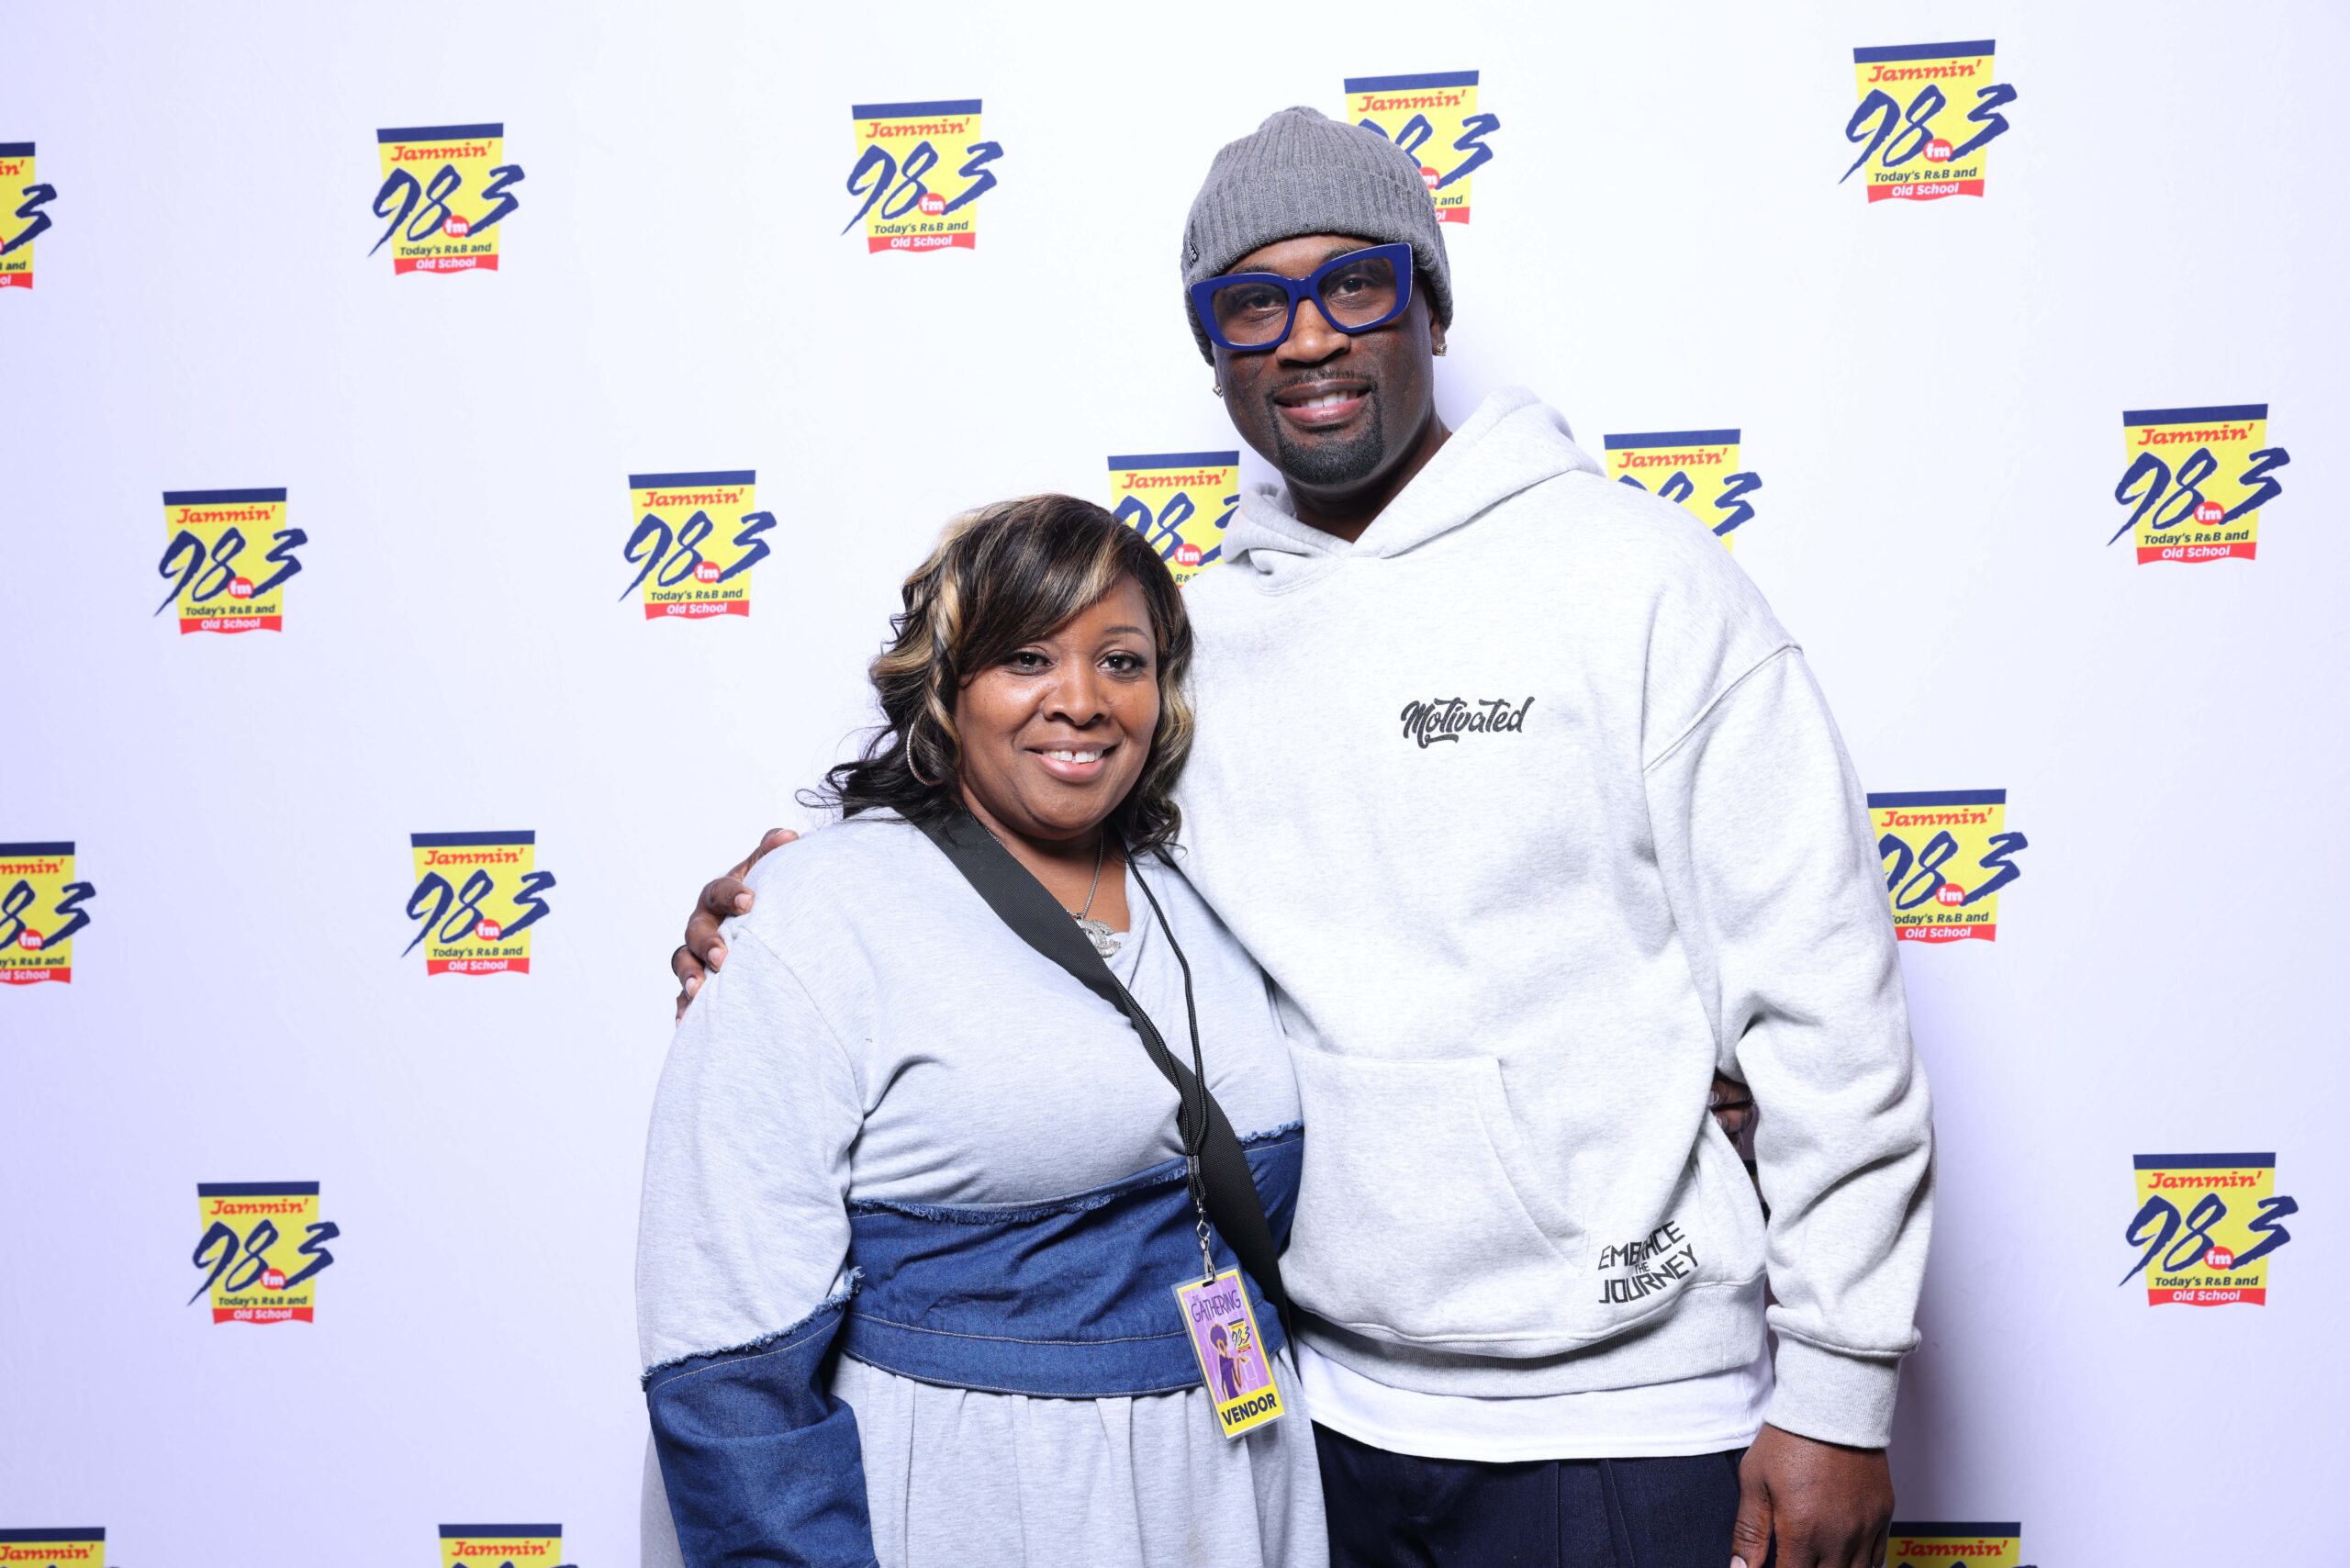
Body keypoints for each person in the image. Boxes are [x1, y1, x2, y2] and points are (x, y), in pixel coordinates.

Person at [677, 109, 1933, 1568]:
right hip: (1304, 1425)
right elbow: (1033, 843)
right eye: (1254, 305)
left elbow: (1830, 1008)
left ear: (1433, 307)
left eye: (1356, 285)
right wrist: (794, 907)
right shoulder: (1188, 647)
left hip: (1628, 1413)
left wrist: (1838, 1394)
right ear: (1214, 351)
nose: (1309, 338)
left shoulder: (1643, 584)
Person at [637, 497, 1326, 1568]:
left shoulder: (1212, 883)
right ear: (947, 685)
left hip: (1235, 1489)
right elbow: (724, 1343)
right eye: (1026, 658)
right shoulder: (820, 912)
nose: (1081, 700)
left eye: (1122, 661)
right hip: (983, 1504)